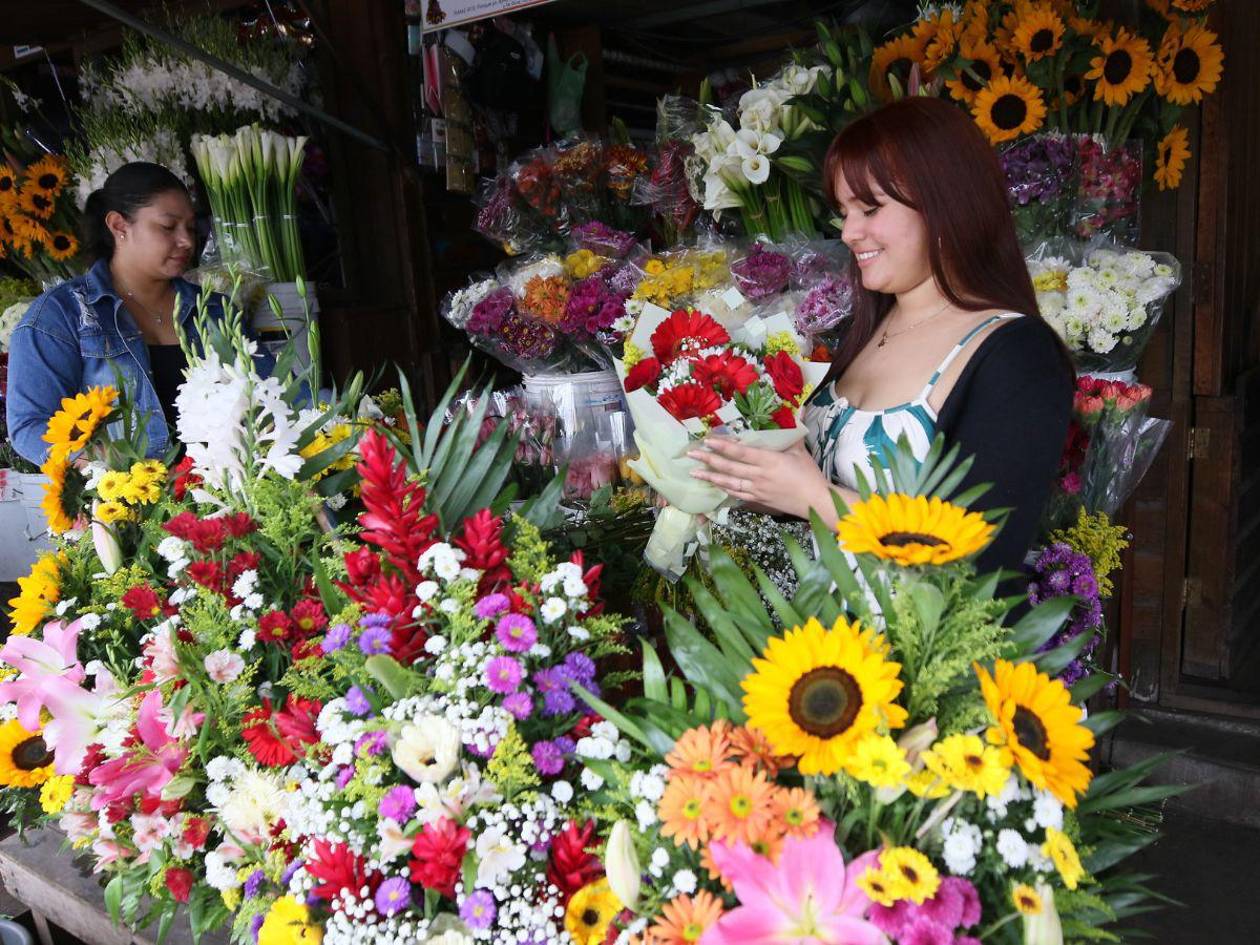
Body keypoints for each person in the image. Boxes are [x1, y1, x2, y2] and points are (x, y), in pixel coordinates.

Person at [689, 97, 1073, 574]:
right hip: (825, 641)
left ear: (946, 202)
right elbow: (818, 499)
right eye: (844, 212)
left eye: (870, 208)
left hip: (925, 644)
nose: (850, 233)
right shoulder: (867, 329)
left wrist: (813, 496)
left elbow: (983, 554)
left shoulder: (1017, 353)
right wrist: (753, 482)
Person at [7, 162, 234, 466]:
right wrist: (112, 467)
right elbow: (29, 425)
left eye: (191, 228)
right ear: (118, 226)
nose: (187, 241)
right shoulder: (61, 315)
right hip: (127, 505)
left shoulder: (214, 309)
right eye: (168, 227)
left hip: (227, 498)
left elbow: (269, 396)